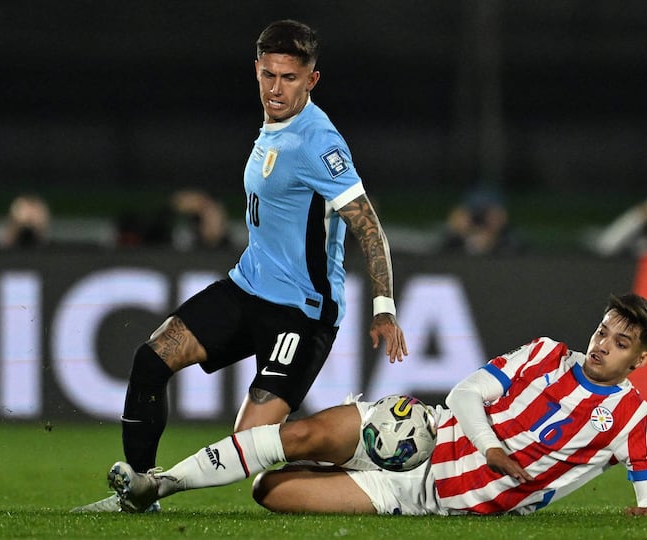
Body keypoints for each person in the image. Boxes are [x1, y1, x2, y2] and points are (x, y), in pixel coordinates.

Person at [72, 19, 407, 512]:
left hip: (301, 312)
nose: (276, 88)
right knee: (152, 358)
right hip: (247, 287)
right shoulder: (274, 126)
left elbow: (368, 226)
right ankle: (138, 493)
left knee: (246, 448)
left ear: (311, 80)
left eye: (289, 78)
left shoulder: (320, 143)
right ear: (256, 70)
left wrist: (383, 305)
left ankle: (357, 448)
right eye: (268, 75)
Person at [105, 293, 647, 517]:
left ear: (639, 360)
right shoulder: (545, 352)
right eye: (602, 331)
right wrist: (492, 447)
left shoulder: (634, 420)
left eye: (621, 343)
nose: (602, 346)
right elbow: (465, 393)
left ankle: (316, 470)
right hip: (419, 430)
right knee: (298, 435)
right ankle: (159, 484)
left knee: (270, 492)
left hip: (422, 494)